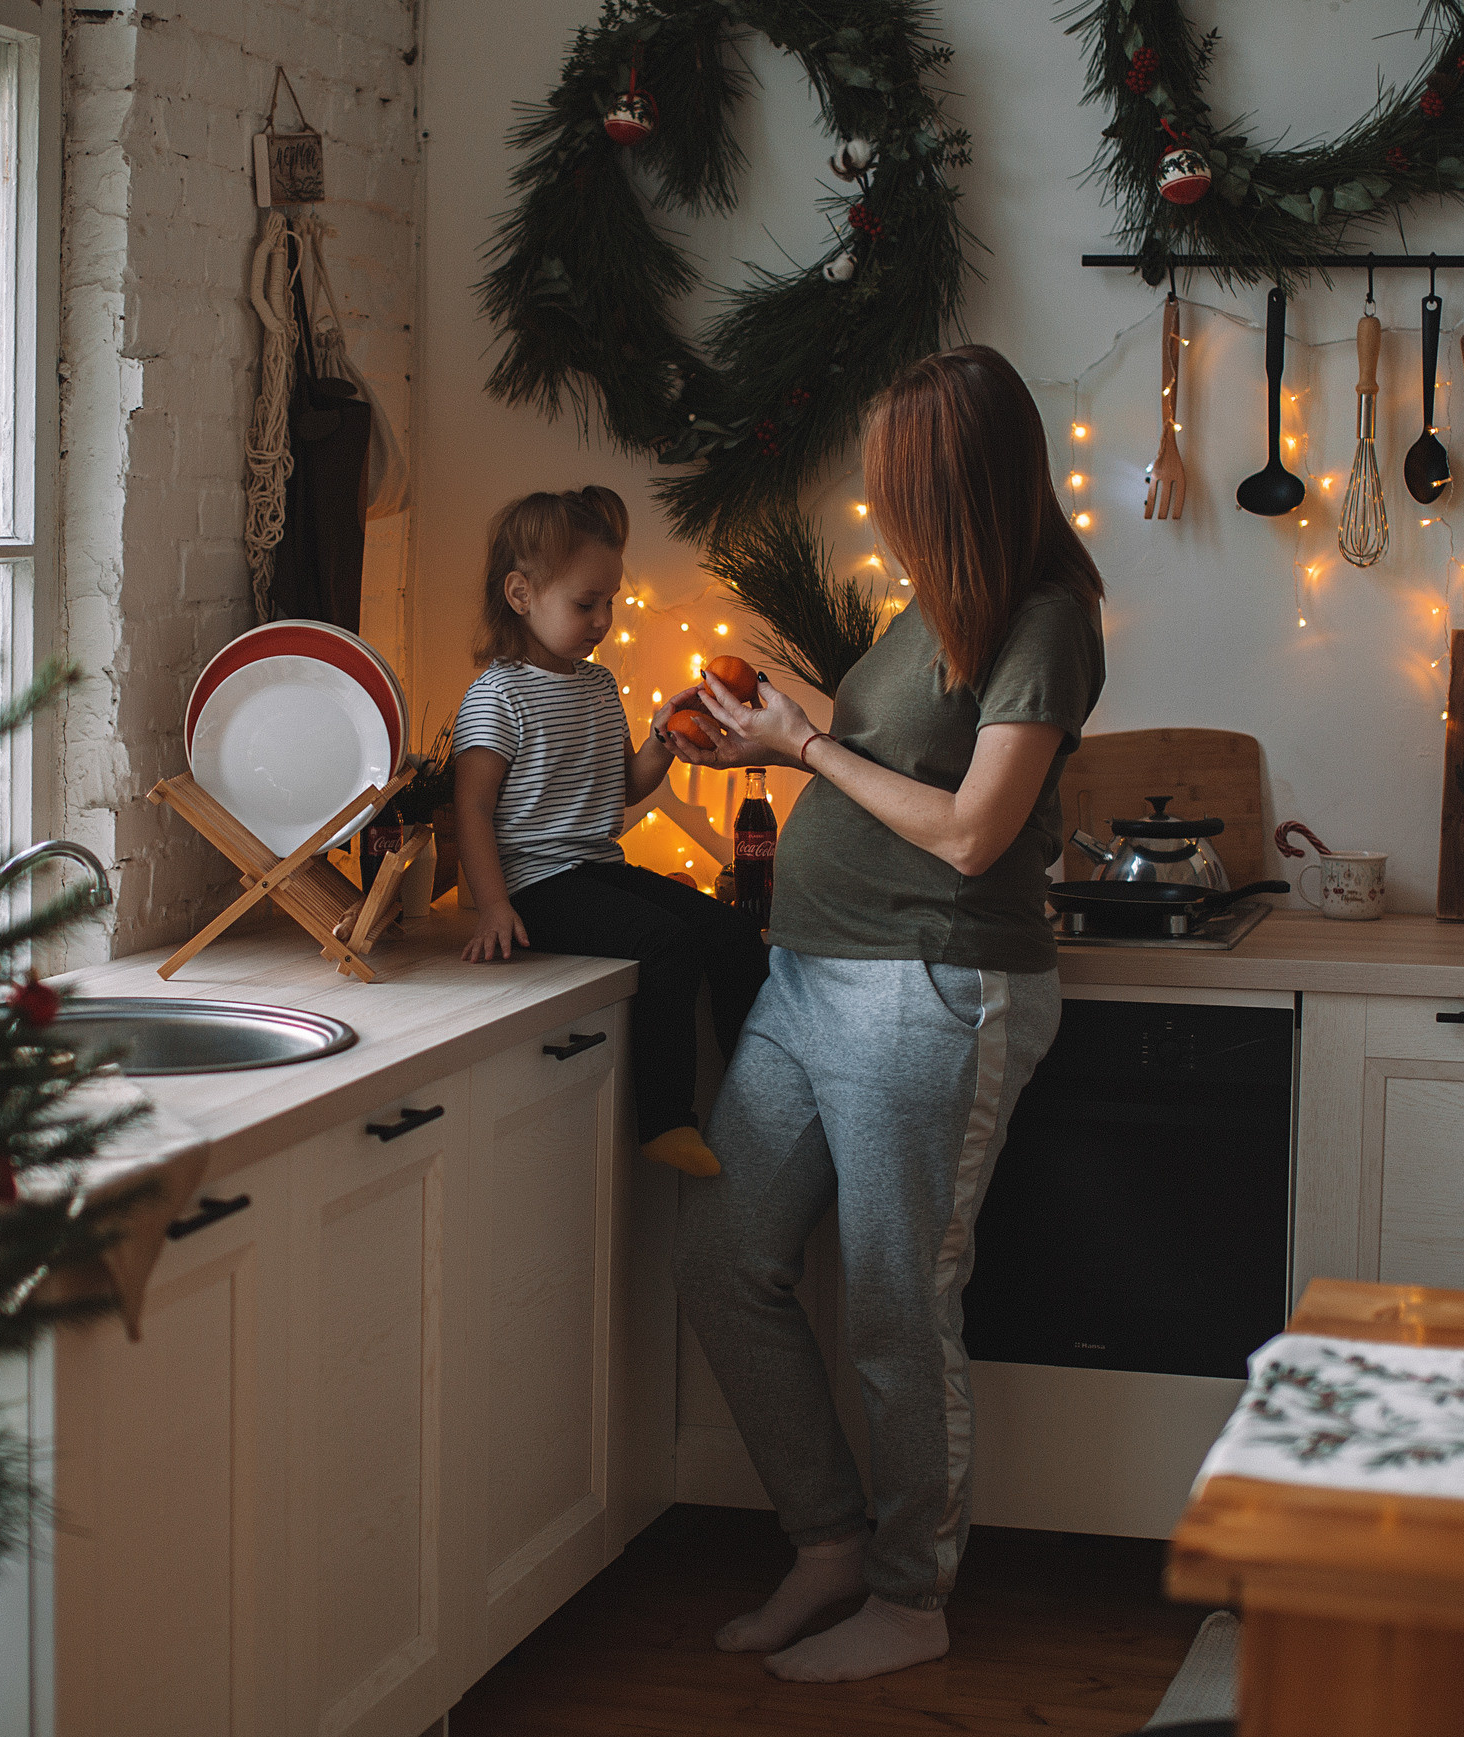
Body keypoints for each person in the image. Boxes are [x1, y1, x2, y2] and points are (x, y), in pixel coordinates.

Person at [664, 347, 1106, 1682]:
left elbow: (973, 834)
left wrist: (803, 750)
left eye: (890, 484)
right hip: (810, 977)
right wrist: (780, 712)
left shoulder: (1044, 621)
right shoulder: (932, 613)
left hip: (931, 986)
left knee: (901, 1308)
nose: (874, 504)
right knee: (723, 1260)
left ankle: (914, 1597)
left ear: (951, 485)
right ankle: (829, 1544)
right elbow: (884, 759)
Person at [452, 486, 769, 1178]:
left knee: (736, 934)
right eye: (585, 603)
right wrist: (493, 903)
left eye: (610, 603)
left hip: (594, 866)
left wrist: (663, 737)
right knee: (666, 943)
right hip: (535, 883)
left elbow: (621, 787)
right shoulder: (497, 694)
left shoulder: (597, 686)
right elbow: (470, 808)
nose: (603, 620)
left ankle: (761, 1100)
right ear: (520, 593)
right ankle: (664, 1120)